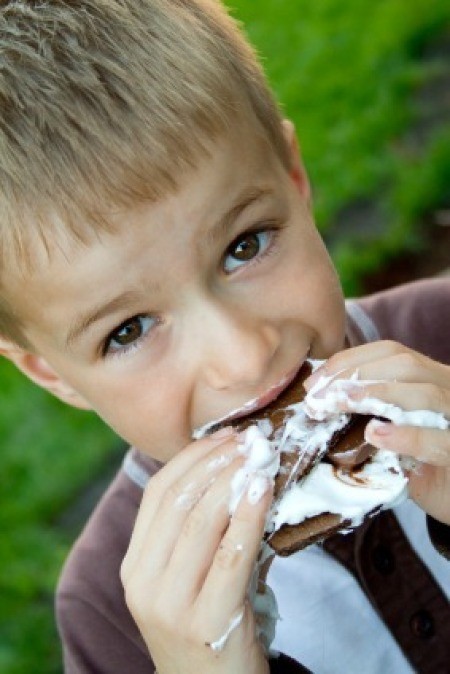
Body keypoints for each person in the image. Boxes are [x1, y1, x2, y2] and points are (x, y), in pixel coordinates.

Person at [0, 1, 448, 672]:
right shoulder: (111, 614)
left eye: (245, 245)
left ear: (295, 182)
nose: (243, 358)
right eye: (127, 330)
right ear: (53, 373)